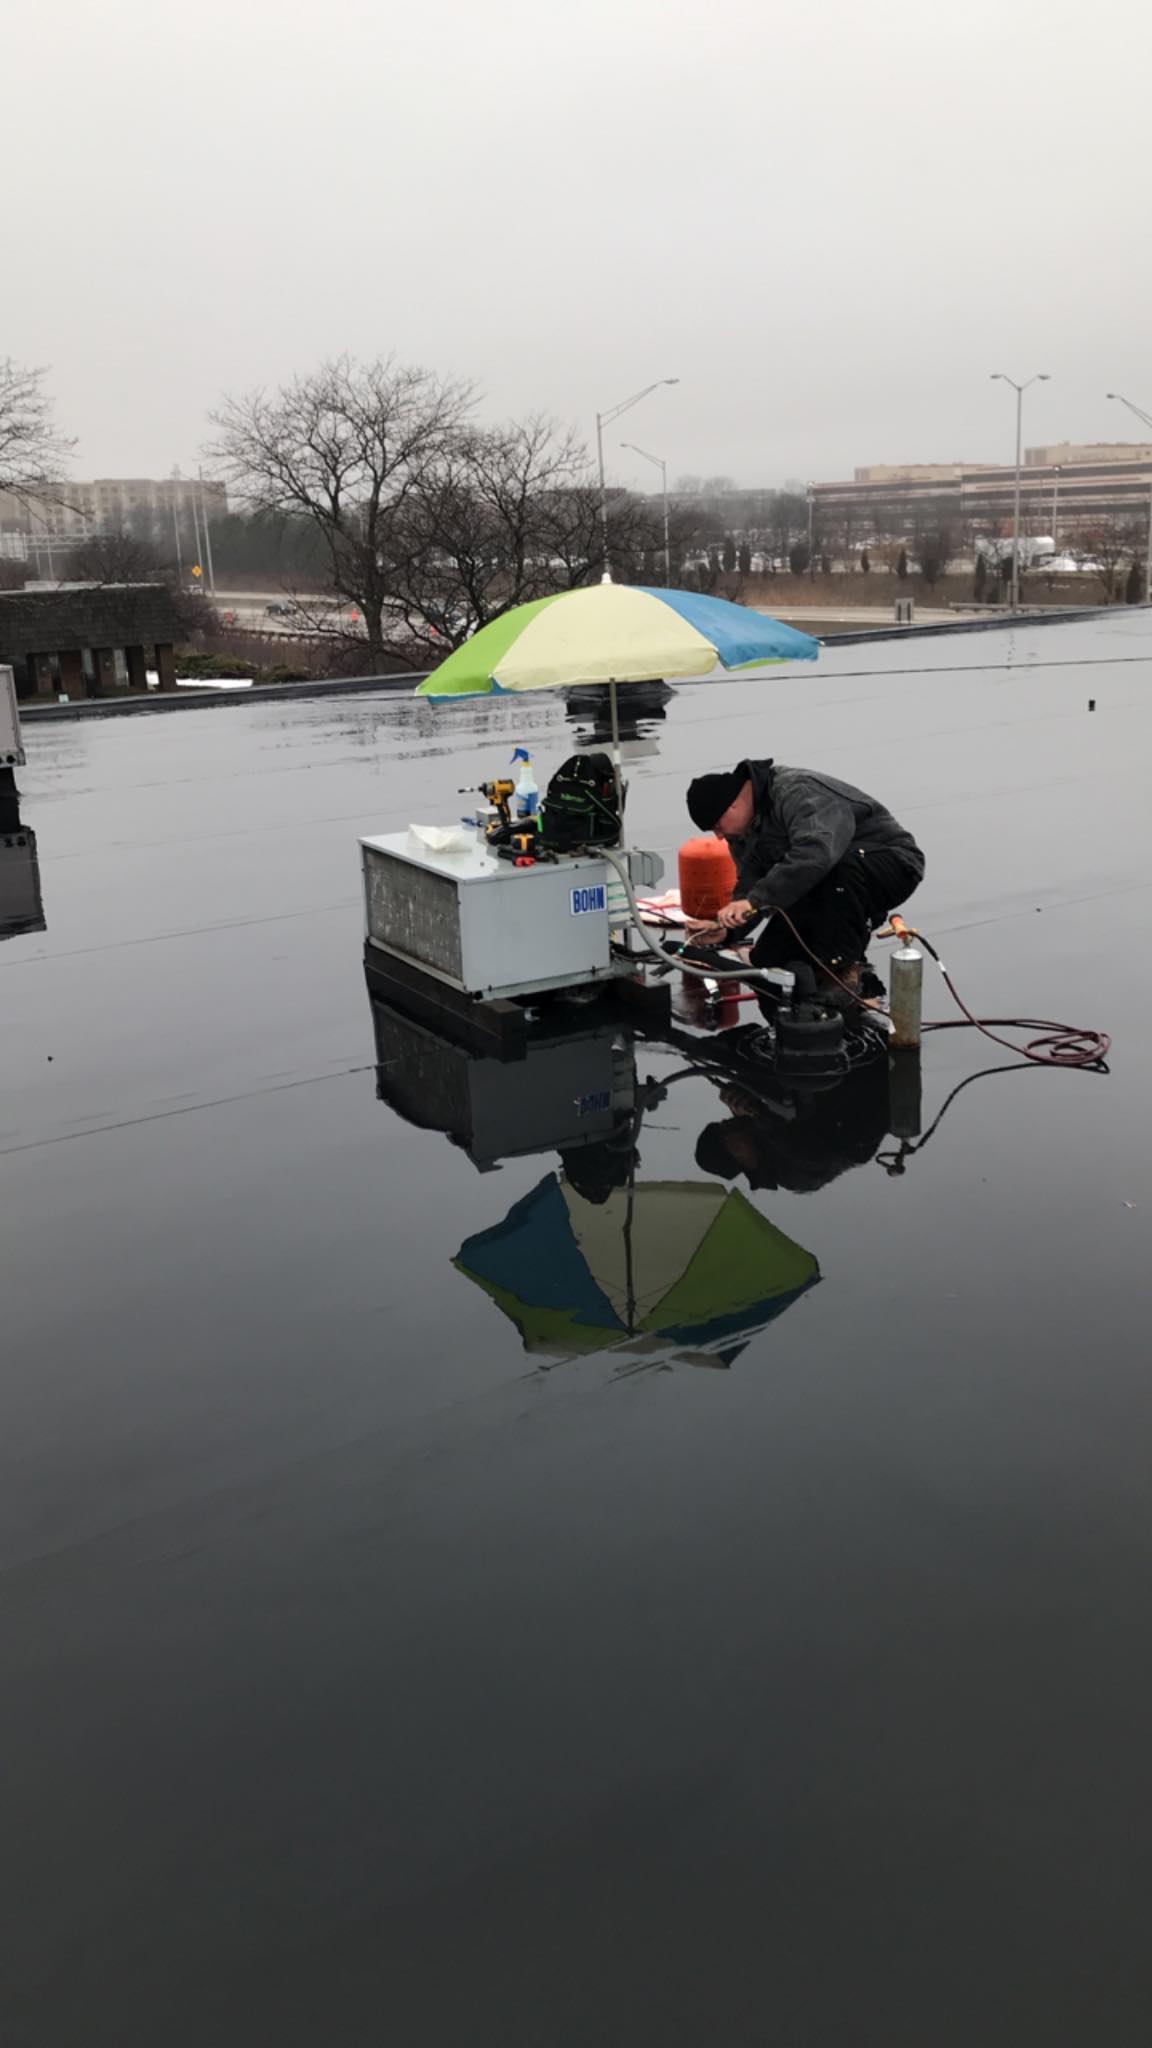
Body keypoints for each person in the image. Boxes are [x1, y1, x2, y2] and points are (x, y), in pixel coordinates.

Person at [685, 757, 924, 990]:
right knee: (768, 957)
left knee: (840, 868)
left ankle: (841, 968)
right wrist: (727, 928)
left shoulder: (795, 792)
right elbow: (752, 883)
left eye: (717, 826)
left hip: (891, 865)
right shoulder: (740, 832)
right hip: (825, 881)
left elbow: (816, 854)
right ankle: (817, 968)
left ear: (732, 804)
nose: (718, 836)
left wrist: (753, 902)